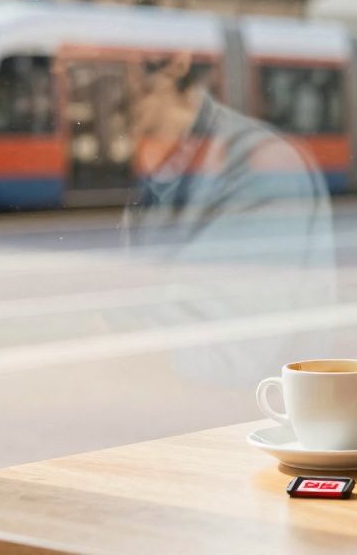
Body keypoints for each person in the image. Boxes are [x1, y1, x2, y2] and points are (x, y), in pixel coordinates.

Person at [118, 52, 336, 387]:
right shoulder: (157, 166)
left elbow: (221, 360)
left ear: (176, 63)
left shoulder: (262, 166)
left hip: (246, 420)